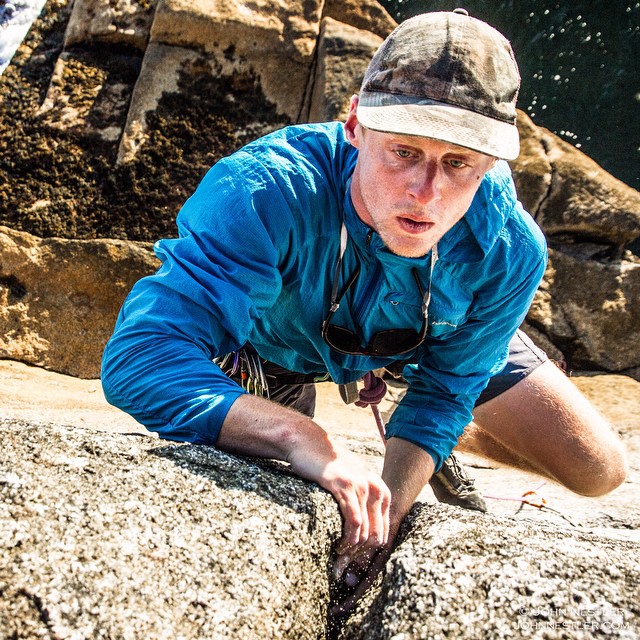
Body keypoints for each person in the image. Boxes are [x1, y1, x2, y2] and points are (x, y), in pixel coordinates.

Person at [102, 10, 627, 613]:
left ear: (492, 164)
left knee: (600, 469)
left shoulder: (508, 247)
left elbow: (451, 387)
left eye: (458, 163)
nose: (424, 192)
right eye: (404, 151)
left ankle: (448, 445)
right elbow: (140, 356)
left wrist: (393, 504)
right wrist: (300, 437)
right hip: (277, 344)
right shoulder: (262, 191)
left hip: (426, 343)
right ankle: (320, 420)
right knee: (281, 469)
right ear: (355, 124)